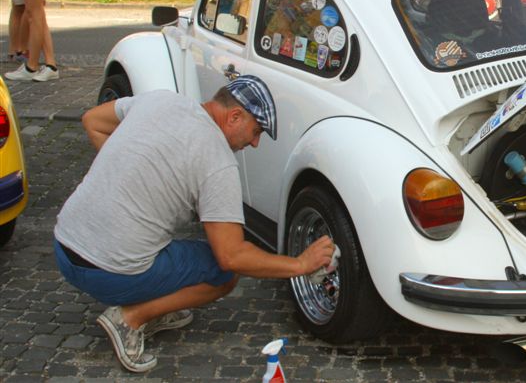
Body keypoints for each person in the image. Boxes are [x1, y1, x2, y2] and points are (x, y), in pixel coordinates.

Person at [53, 76, 335, 373]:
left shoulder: (162, 99)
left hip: (63, 247)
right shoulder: (218, 162)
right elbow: (232, 256)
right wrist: (300, 264)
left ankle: (152, 306)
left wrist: (129, 174)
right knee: (223, 273)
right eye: (256, 131)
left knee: (186, 250)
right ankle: (131, 318)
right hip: (108, 274)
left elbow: (92, 121)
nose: (255, 142)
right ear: (234, 116)